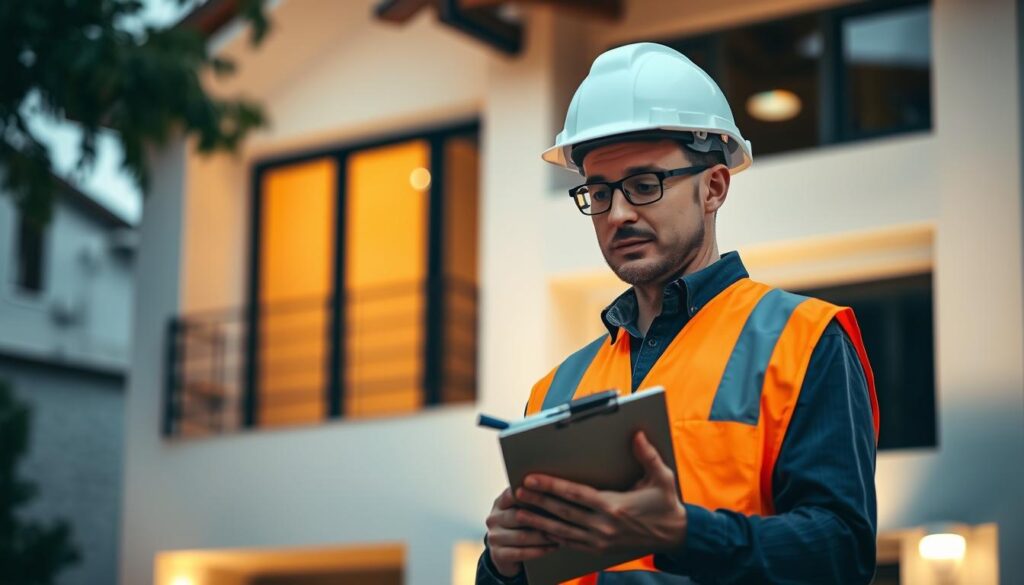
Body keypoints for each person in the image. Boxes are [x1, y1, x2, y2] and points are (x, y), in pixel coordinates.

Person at [475, 42, 879, 584]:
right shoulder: (553, 391)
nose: (617, 214)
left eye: (644, 185)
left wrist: (682, 532)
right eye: (598, 192)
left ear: (713, 187)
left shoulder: (805, 340)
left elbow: (842, 553)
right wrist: (502, 564)